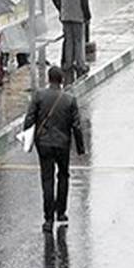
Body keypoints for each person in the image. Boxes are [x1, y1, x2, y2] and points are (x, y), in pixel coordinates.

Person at [23, 66, 86, 234]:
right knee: (63, 176)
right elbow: (77, 126)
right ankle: (61, 212)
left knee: (47, 179)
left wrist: (28, 139)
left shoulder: (39, 96)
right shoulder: (69, 99)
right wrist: (80, 149)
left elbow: (29, 119)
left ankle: (48, 219)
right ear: (62, 80)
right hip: (63, 145)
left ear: (48, 79)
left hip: (43, 144)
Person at [52, 0, 91, 81]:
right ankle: (80, 65)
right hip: (78, 16)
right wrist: (87, 16)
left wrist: (61, 9)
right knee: (79, 41)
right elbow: (84, 4)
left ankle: (68, 64)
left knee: (68, 40)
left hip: (65, 16)